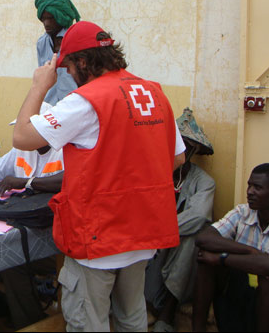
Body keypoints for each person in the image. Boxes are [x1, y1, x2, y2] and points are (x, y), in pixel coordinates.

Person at [12, 20, 186, 331]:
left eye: (68, 69)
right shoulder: (153, 93)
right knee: (132, 318)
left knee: (87, 322)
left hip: (98, 238)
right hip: (142, 235)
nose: (69, 76)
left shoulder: (86, 102)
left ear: (81, 62)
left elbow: (23, 137)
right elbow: (177, 157)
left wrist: (40, 84)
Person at [0, 102, 64, 329]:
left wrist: (26, 182)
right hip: (22, 230)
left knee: (10, 259)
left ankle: (31, 323)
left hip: (54, 238)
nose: (24, 135)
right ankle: (27, 319)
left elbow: (68, 179)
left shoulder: (65, 148)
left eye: (30, 130)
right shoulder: (23, 147)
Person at [145, 107, 216, 332]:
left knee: (197, 234)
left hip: (174, 244)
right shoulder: (152, 173)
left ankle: (168, 312)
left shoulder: (204, 182)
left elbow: (198, 216)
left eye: (185, 146)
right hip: (150, 245)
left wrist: (161, 231)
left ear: (193, 150)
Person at [192, 163, 269, 332]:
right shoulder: (243, 212)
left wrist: (222, 258)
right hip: (240, 287)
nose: (250, 191)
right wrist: (250, 251)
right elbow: (204, 238)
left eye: (257, 187)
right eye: (249, 185)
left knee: (268, 280)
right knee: (205, 260)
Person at [34, 0, 81, 105]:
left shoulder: (77, 40)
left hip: (75, 104)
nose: (46, 23)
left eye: (50, 18)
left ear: (60, 17)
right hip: (50, 106)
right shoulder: (42, 43)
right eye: (43, 19)